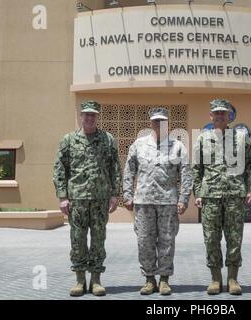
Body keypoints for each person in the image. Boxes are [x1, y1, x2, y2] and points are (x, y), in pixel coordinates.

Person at [53, 100, 121, 297]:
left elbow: (115, 168)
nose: (90, 118)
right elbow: (59, 168)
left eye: (93, 115)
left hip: (100, 199)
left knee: (98, 239)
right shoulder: (68, 140)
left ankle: (97, 280)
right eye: (86, 114)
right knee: (78, 239)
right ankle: (80, 280)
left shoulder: (108, 139)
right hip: (77, 199)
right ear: (81, 116)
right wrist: (62, 196)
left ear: (97, 117)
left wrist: (115, 194)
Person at [123, 107, 192, 295]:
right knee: (144, 240)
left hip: (168, 201)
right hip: (143, 201)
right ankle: (149, 279)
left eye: (162, 121)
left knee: (167, 241)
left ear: (167, 123)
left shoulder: (177, 146)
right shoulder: (139, 144)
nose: (158, 124)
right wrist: (127, 195)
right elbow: (129, 170)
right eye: (155, 121)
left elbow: (186, 173)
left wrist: (184, 199)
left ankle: (164, 279)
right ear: (151, 123)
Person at [192, 99, 251, 295]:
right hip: (210, 196)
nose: (220, 116)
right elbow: (197, 168)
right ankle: (215, 279)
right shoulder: (203, 139)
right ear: (210, 116)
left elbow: (250, 167)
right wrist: (198, 192)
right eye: (216, 113)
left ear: (229, 116)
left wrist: (250, 189)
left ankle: (233, 278)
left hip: (235, 195)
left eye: (223, 113)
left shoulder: (241, 138)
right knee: (211, 238)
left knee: (234, 238)